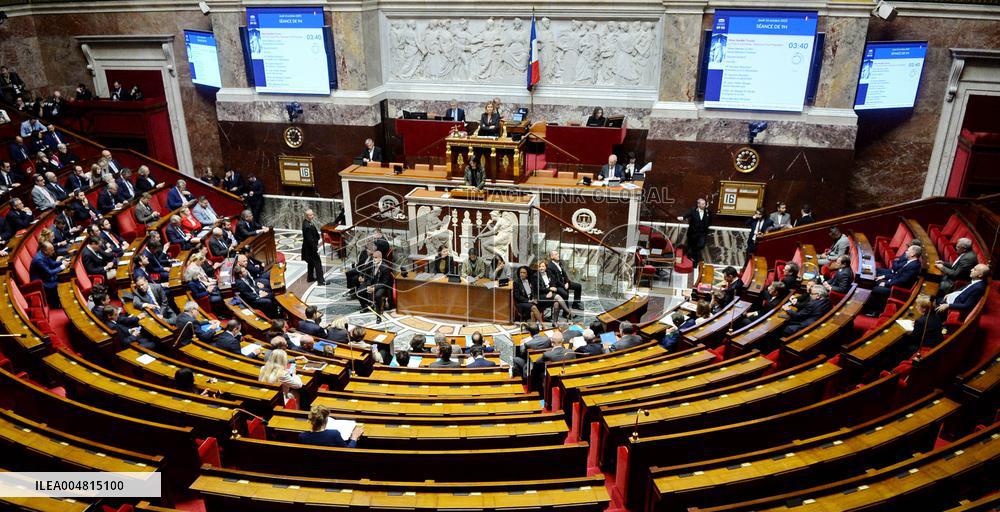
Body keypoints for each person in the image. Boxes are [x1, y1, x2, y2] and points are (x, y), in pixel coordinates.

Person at [867, 245, 923, 314]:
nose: (906, 252)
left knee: (874, 289)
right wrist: (884, 277)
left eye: (908, 250)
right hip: (893, 282)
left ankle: (875, 311)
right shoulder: (910, 262)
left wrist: (886, 283)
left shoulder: (914, 266)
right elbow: (897, 273)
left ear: (912, 254)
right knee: (873, 281)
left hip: (897, 289)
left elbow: (902, 280)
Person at [298, 405, 363, 448]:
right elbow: (347, 451)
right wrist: (354, 438)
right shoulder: (334, 434)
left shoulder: (302, 436)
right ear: (326, 419)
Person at [677, 198, 712, 266]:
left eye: (704, 204)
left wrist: (706, 226)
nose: (704, 205)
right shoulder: (693, 210)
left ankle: (692, 256)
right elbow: (687, 214)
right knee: (691, 246)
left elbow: (710, 220)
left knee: (701, 245)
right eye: (702, 204)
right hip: (693, 233)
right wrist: (682, 217)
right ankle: (694, 261)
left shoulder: (708, 211)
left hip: (702, 233)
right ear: (698, 204)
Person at [30, 242, 66, 306]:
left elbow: (53, 264)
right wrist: (62, 267)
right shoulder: (39, 260)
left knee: (63, 279)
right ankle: (57, 305)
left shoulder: (44, 254)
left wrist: (63, 262)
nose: (53, 252)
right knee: (61, 284)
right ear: (45, 251)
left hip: (45, 277)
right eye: (51, 250)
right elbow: (49, 272)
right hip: (41, 282)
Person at [358, 250, 392, 316]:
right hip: (372, 283)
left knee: (378, 295)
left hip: (381, 285)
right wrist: (361, 276)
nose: (374, 259)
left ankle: (378, 311)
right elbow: (363, 269)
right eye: (373, 257)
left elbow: (385, 282)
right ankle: (365, 307)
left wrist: (374, 288)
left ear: (380, 258)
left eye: (376, 258)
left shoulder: (385, 268)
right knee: (359, 291)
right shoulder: (371, 264)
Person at [301, 209, 325, 284]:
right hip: (311, 249)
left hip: (308, 248)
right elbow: (310, 240)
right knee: (318, 263)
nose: (312, 216)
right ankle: (321, 281)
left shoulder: (307, 222)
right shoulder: (307, 226)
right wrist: (315, 249)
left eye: (312, 214)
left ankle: (310, 277)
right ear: (307, 216)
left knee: (311, 263)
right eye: (310, 215)